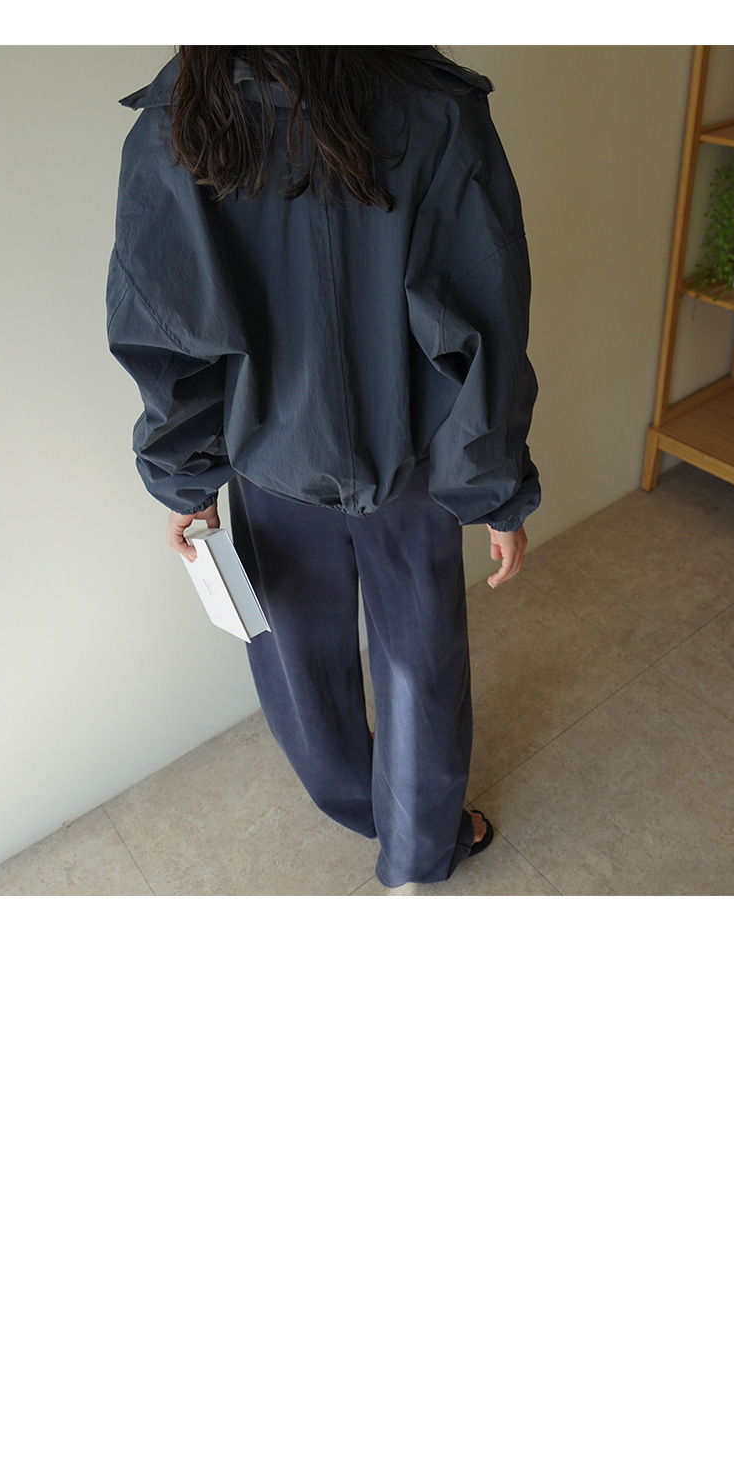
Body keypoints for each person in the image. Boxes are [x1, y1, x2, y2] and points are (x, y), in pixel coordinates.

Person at [105, 47, 540, 891]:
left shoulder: (180, 114)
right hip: (411, 462)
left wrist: (187, 479)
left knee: (298, 669)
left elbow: (167, 325)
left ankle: (364, 807)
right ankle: (417, 845)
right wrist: (493, 490)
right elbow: (482, 317)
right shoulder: (432, 105)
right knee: (420, 662)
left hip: (269, 462)